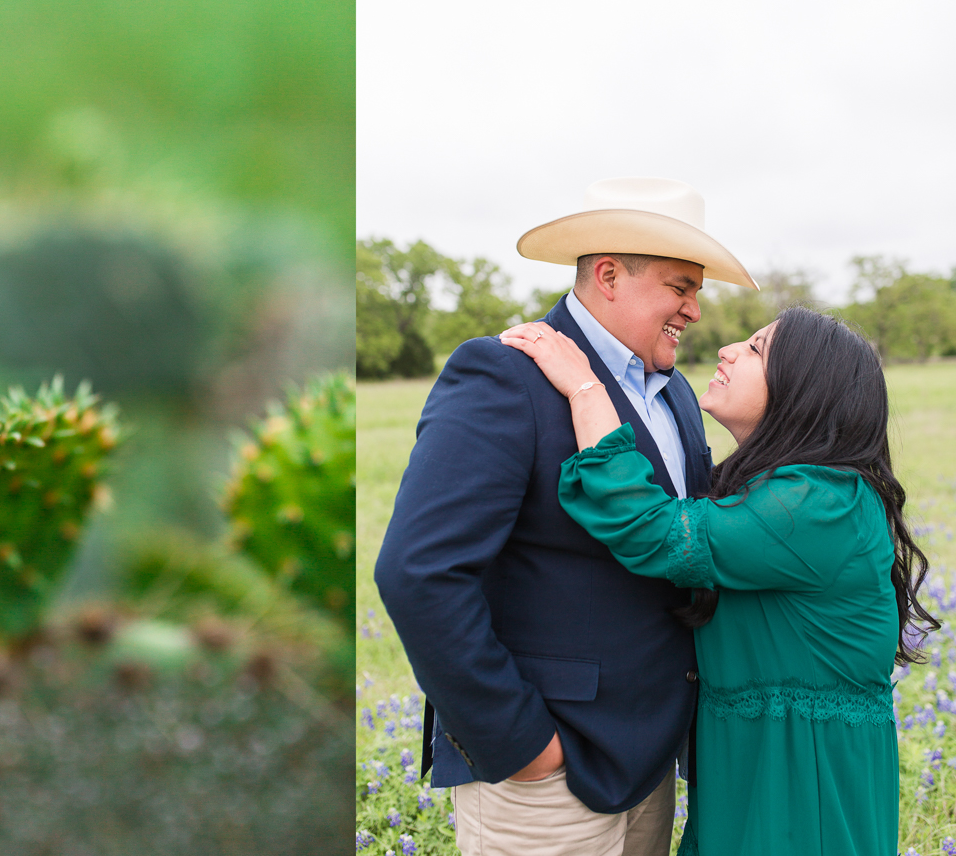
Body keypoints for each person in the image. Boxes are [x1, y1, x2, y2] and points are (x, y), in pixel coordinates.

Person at [375, 177, 759, 856]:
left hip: (651, 759)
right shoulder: (503, 374)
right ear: (609, 275)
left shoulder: (675, 397)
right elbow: (418, 571)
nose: (694, 310)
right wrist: (522, 744)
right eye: (681, 285)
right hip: (547, 772)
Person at [499, 305, 936, 855]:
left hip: (802, 778)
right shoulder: (789, 492)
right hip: (754, 759)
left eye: (756, 349)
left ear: (803, 391)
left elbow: (649, 530)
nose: (728, 348)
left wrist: (585, 386)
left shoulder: (819, 504)